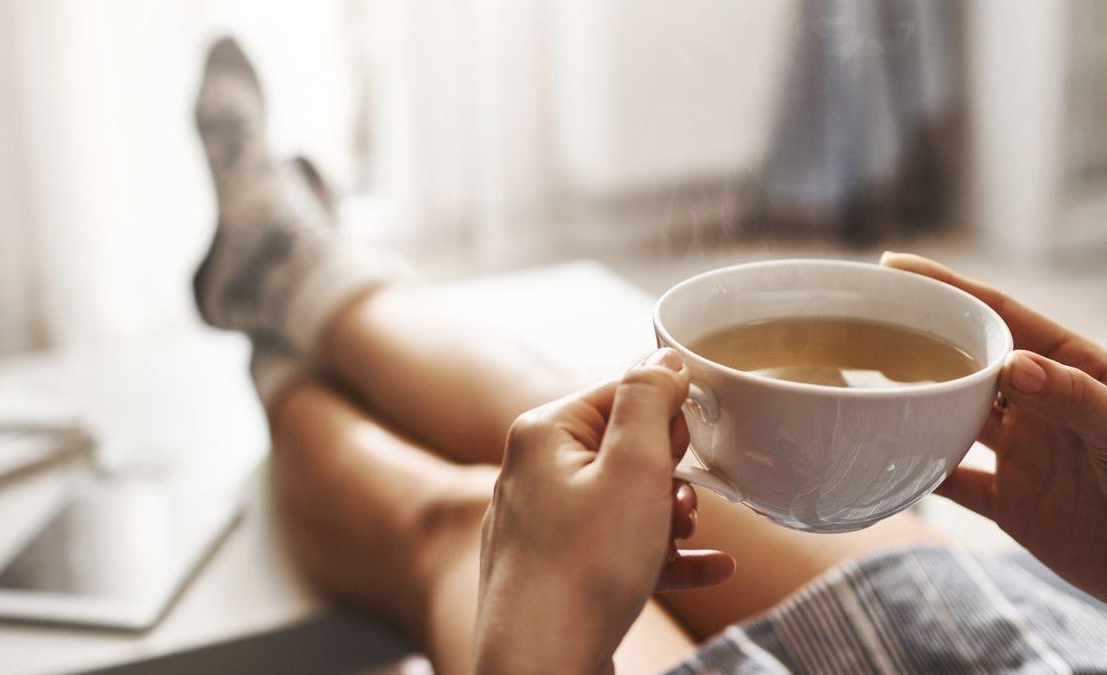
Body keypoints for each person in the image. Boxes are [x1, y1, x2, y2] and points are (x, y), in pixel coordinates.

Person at [192, 39, 1107, 674]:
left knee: (461, 530)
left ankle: (282, 346)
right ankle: (294, 270)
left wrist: (535, 655)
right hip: (1038, 640)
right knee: (570, 433)